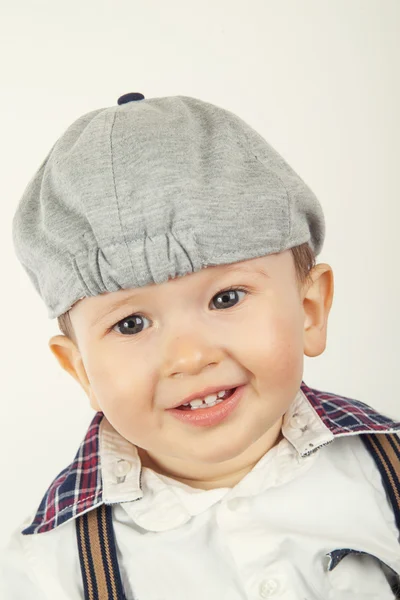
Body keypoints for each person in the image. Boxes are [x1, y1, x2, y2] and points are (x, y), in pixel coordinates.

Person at [1, 92, 399, 600]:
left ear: (310, 310)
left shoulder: (387, 473)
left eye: (226, 297)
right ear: (81, 371)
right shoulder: (44, 573)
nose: (190, 356)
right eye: (130, 324)